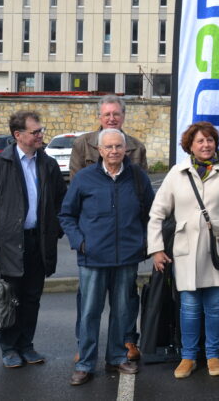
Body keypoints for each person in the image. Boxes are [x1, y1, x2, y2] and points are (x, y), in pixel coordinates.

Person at [148, 122, 219, 379]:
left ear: (216, 143)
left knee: (216, 308)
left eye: (210, 140)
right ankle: (188, 357)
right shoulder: (176, 173)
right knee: (190, 308)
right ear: (190, 146)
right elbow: (157, 213)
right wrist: (157, 249)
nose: (206, 145)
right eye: (200, 141)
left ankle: (213, 355)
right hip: (186, 251)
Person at [59, 128, 154, 386]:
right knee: (90, 312)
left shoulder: (137, 178)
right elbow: (66, 215)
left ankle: (116, 356)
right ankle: (85, 364)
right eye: (109, 147)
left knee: (123, 312)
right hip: (93, 259)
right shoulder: (85, 178)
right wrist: (80, 243)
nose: (114, 151)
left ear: (126, 149)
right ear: (99, 151)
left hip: (127, 257)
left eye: (118, 147)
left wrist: (143, 242)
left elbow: (152, 215)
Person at [0, 111, 67, 368]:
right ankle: (9, 348)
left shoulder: (47, 164)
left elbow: (62, 200)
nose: (41, 135)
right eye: (35, 131)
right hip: (9, 245)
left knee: (31, 298)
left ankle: (27, 345)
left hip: (38, 243)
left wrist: (55, 229)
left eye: (41, 130)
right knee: (9, 299)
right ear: (18, 135)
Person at [69, 94, 147, 362]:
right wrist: (80, 241)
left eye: (116, 114)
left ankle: (125, 345)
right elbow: (73, 200)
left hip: (126, 245)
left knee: (125, 302)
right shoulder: (83, 147)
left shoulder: (136, 147)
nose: (111, 118)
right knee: (89, 305)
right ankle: (85, 350)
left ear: (123, 116)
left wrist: (143, 240)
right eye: (106, 114)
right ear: (99, 117)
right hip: (94, 244)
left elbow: (144, 200)